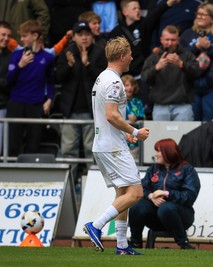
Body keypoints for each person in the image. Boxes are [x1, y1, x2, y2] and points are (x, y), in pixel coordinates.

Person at [83, 36, 150, 255]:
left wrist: (125, 134)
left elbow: (109, 116)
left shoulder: (102, 77)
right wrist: (135, 131)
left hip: (107, 143)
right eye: (130, 53)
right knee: (136, 193)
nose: (132, 57)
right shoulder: (113, 81)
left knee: (123, 193)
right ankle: (97, 225)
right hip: (112, 146)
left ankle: (122, 245)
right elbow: (112, 115)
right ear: (122, 56)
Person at [55, 21, 107, 182]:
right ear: (74, 37)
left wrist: (87, 64)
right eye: (80, 34)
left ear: (91, 36)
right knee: (68, 150)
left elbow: (104, 78)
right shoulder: (67, 52)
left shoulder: (99, 53)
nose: (84, 37)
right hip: (70, 111)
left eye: (87, 34)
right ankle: (68, 184)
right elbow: (57, 77)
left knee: (92, 150)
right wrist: (69, 66)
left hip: (92, 112)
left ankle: (93, 184)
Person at [128, 138, 200, 250]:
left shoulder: (187, 170)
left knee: (166, 208)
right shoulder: (153, 169)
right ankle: (135, 244)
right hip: (156, 218)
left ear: (169, 152)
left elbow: (189, 196)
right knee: (136, 208)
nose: (156, 155)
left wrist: (167, 193)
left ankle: (184, 243)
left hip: (182, 216)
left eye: (158, 151)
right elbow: (142, 188)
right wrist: (151, 196)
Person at [6, 20, 55, 157]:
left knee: (33, 144)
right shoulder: (16, 55)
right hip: (16, 102)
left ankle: (28, 177)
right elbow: (8, 79)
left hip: (36, 104)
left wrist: (49, 99)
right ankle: (10, 176)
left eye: (24, 36)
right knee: (13, 144)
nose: (21, 39)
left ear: (35, 35)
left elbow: (50, 81)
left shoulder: (48, 58)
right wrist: (20, 65)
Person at [141, 25, 203, 121]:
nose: (170, 43)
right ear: (161, 40)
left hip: (183, 106)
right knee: (160, 136)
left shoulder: (187, 55)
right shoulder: (154, 57)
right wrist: (157, 67)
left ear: (178, 40)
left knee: (184, 136)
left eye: (173, 40)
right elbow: (144, 78)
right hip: (160, 106)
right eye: (167, 40)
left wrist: (182, 64)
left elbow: (197, 73)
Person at [180, 3, 213, 121]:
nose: (200, 17)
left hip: (211, 85)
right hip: (191, 85)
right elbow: (182, 55)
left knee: (209, 121)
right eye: (198, 14)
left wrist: (209, 47)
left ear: (212, 18)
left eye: (204, 14)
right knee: (193, 121)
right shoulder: (187, 33)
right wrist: (196, 46)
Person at [121, 74, 145, 160]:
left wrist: (136, 118)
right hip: (120, 141)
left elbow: (143, 118)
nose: (130, 87)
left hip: (135, 142)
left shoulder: (138, 102)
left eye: (132, 85)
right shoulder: (117, 102)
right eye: (127, 85)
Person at [0, 21, 12, 156]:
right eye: (3, 35)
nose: (6, 38)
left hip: (2, 107)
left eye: (8, 36)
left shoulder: (11, 56)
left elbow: (10, 82)